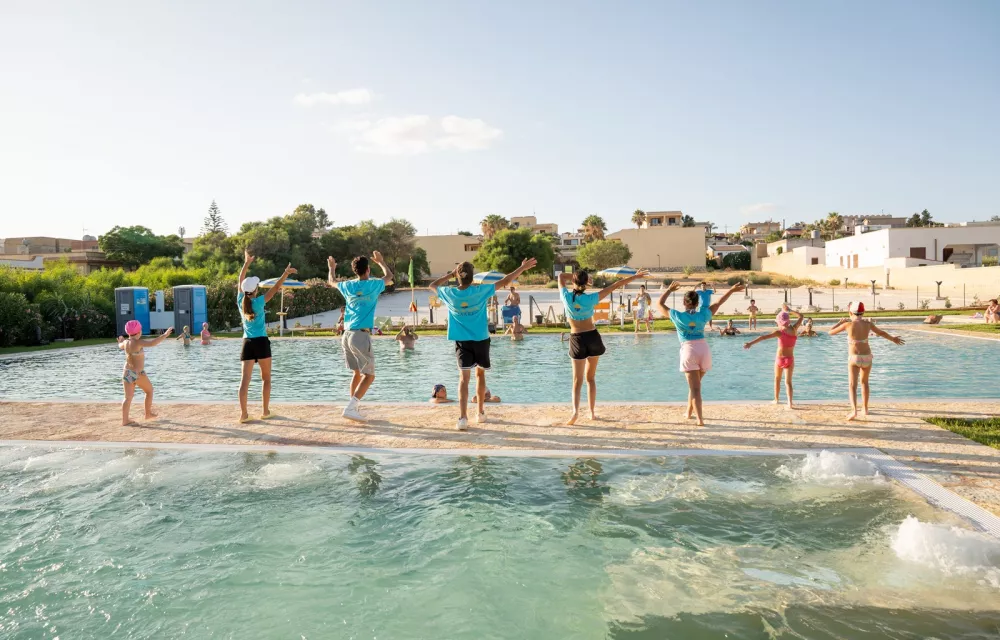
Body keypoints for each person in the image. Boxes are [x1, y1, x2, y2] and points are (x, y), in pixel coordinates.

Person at [429, 258, 536, 430]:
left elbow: (432, 285)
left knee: (464, 379)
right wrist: (522, 267)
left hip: (462, 341)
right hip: (481, 339)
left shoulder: (450, 293)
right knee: (480, 375)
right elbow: (506, 280)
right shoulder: (480, 291)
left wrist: (449, 274)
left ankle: (463, 418)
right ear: (473, 278)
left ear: (458, 276)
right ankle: (479, 413)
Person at [560, 268, 650, 424]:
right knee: (591, 378)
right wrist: (635, 277)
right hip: (592, 336)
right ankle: (592, 412)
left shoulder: (566, 297)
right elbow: (616, 284)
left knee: (577, 380)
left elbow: (561, 276)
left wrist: (578, 278)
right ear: (586, 283)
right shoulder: (592, 298)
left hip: (577, 338)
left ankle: (575, 412)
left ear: (573, 281)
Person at [658, 281, 744, 426]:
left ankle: (700, 419)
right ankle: (689, 412)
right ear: (697, 303)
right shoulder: (704, 314)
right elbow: (718, 302)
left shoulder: (677, 316)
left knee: (695, 388)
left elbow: (660, 304)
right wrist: (731, 290)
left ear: (684, 303)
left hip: (689, 350)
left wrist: (669, 290)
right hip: (704, 350)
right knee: (695, 386)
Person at [328, 252, 394, 422]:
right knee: (369, 376)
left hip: (346, 335)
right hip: (360, 336)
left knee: (357, 373)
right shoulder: (373, 285)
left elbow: (331, 282)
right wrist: (381, 261)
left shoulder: (348, 286)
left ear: (355, 271)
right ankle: (351, 408)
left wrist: (332, 268)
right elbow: (389, 276)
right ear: (368, 269)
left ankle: (353, 408)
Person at [237, 250, 296, 423]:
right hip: (261, 342)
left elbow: (240, 280)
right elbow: (277, 288)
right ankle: (265, 411)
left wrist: (246, 263)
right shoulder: (259, 301)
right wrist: (285, 273)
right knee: (266, 379)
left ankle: (244, 414)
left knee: (244, 382)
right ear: (256, 289)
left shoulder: (240, 301)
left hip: (247, 343)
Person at [829, 302, 905, 421]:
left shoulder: (847, 325)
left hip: (854, 358)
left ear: (850, 313)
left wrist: (840, 322)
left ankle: (854, 410)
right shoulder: (868, 324)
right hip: (867, 357)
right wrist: (893, 339)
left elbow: (830, 332)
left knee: (852, 385)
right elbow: (881, 333)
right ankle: (865, 408)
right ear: (863, 313)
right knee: (864, 383)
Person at [743, 305, 804, 409]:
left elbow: (763, 337)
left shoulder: (779, 332)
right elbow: (801, 316)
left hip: (780, 359)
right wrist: (790, 310)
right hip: (790, 359)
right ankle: (790, 403)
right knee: (788, 382)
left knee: (777, 379)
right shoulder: (794, 329)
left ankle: (776, 399)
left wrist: (750, 343)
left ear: (779, 321)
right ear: (788, 320)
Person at [118, 320, 173, 426]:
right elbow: (153, 343)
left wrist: (120, 340)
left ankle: (125, 420)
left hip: (127, 372)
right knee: (149, 391)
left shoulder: (125, 343)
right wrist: (165, 335)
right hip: (138, 374)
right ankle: (148, 414)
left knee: (127, 397)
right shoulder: (138, 342)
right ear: (139, 332)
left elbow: (120, 345)